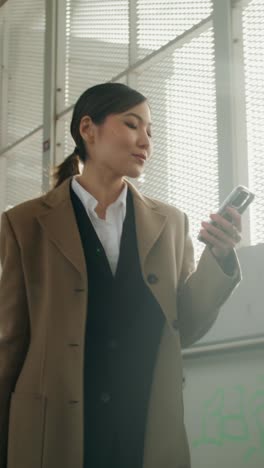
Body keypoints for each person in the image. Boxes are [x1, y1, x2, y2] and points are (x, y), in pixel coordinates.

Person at [0, 82, 242, 468]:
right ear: (87, 129)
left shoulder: (171, 223)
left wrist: (218, 256)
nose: (145, 140)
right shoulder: (24, 223)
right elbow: (10, 341)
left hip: (143, 427)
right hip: (54, 428)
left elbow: (185, 326)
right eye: (132, 124)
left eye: (151, 131)